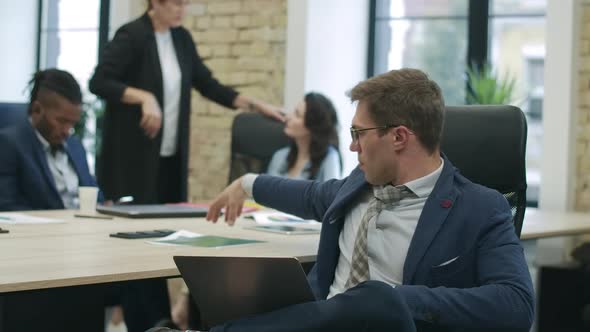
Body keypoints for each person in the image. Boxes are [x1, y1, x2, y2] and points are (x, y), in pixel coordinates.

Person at [197, 68, 535, 331]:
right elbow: (309, 194)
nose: (352, 147)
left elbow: (517, 304)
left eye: (359, 133)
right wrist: (246, 183)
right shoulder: (358, 184)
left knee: (375, 299)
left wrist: (398, 300)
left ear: (399, 137)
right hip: (318, 326)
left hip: (387, 325)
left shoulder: (480, 207)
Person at [89, 0, 283, 206]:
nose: (183, 10)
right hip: (135, 155)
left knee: (169, 220)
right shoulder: (131, 35)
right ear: (155, 3)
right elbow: (99, 82)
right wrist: (144, 97)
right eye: (176, 4)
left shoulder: (181, 38)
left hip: (171, 155)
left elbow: (209, 85)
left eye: (186, 4)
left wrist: (256, 105)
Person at [0, 68, 102, 211]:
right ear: (37, 110)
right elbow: (6, 206)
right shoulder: (9, 144)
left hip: (84, 227)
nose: (68, 131)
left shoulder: (74, 144)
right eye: (61, 121)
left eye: (73, 123)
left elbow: (95, 195)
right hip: (42, 229)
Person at [267, 92, 341, 182]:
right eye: (294, 111)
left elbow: (332, 194)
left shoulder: (330, 157)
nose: (288, 117)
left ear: (312, 125)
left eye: (297, 115)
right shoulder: (279, 156)